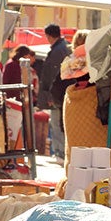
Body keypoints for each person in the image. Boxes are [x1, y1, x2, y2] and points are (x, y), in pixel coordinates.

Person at [36, 24, 72, 161]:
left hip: (58, 95)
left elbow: (54, 76)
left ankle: (60, 153)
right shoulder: (64, 47)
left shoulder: (58, 50)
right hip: (62, 93)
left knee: (57, 124)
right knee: (58, 123)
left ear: (49, 36)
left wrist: (51, 95)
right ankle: (60, 152)